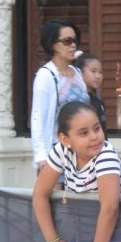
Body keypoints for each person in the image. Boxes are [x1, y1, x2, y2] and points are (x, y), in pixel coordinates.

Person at [32, 101, 121, 242]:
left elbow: (110, 208)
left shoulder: (106, 156)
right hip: (79, 231)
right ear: (65, 139)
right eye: (84, 133)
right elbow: (40, 194)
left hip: (117, 236)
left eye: (97, 128)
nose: (94, 137)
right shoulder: (60, 151)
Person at [31, 19, 90, 176]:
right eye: (67, 41)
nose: (73, 45)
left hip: (81, 153)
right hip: (57, 154)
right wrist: (41, 157)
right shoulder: (46, 76)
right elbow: (38, 118)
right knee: (56, 200)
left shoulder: (77, 73)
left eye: (74, 41)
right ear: (53, 45)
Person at [74, 52, 108, 139]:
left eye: (101, 72)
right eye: (93, 71)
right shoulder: (76, 100)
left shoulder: (98, 98)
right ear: (80, 72)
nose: (98, 76)